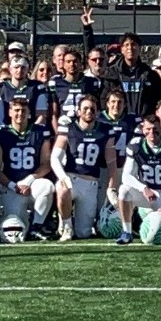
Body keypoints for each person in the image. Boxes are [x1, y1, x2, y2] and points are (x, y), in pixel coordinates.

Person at [52, 94, 118, 240]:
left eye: (92, 109)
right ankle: (66, 225)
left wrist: (111, 187)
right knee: (62, 189)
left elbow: (111, 162)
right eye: (85, 109)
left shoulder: (105, 130)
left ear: (97, 112)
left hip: (91, 183)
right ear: (78, 111)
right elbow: (54, 158)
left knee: (84, 233)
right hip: (72, 178)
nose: (89, 112)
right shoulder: (69, 128)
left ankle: (68, 221)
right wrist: (63, 177)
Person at [116, 114, 161, 244]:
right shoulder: (136, 146)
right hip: (146, 194)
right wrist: (144, 188)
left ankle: (145, 218)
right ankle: (127, 232)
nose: (152, 132)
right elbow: (126, 176)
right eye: (148, 129)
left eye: (155, 129)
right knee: (124, 190)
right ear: (143, 130)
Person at [0, 96, 55, 238]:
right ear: (9, 112)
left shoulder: (40, 132)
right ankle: (29, 225)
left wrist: (28, 181)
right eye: (16, 110)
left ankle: (36, 226)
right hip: (11, 187)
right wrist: (13, 186)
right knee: (16, 229)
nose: (20, 114)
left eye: (23, 111)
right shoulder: (1, 134)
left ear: (29, 113)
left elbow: (46, 164)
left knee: (47, 186)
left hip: (32, 184)